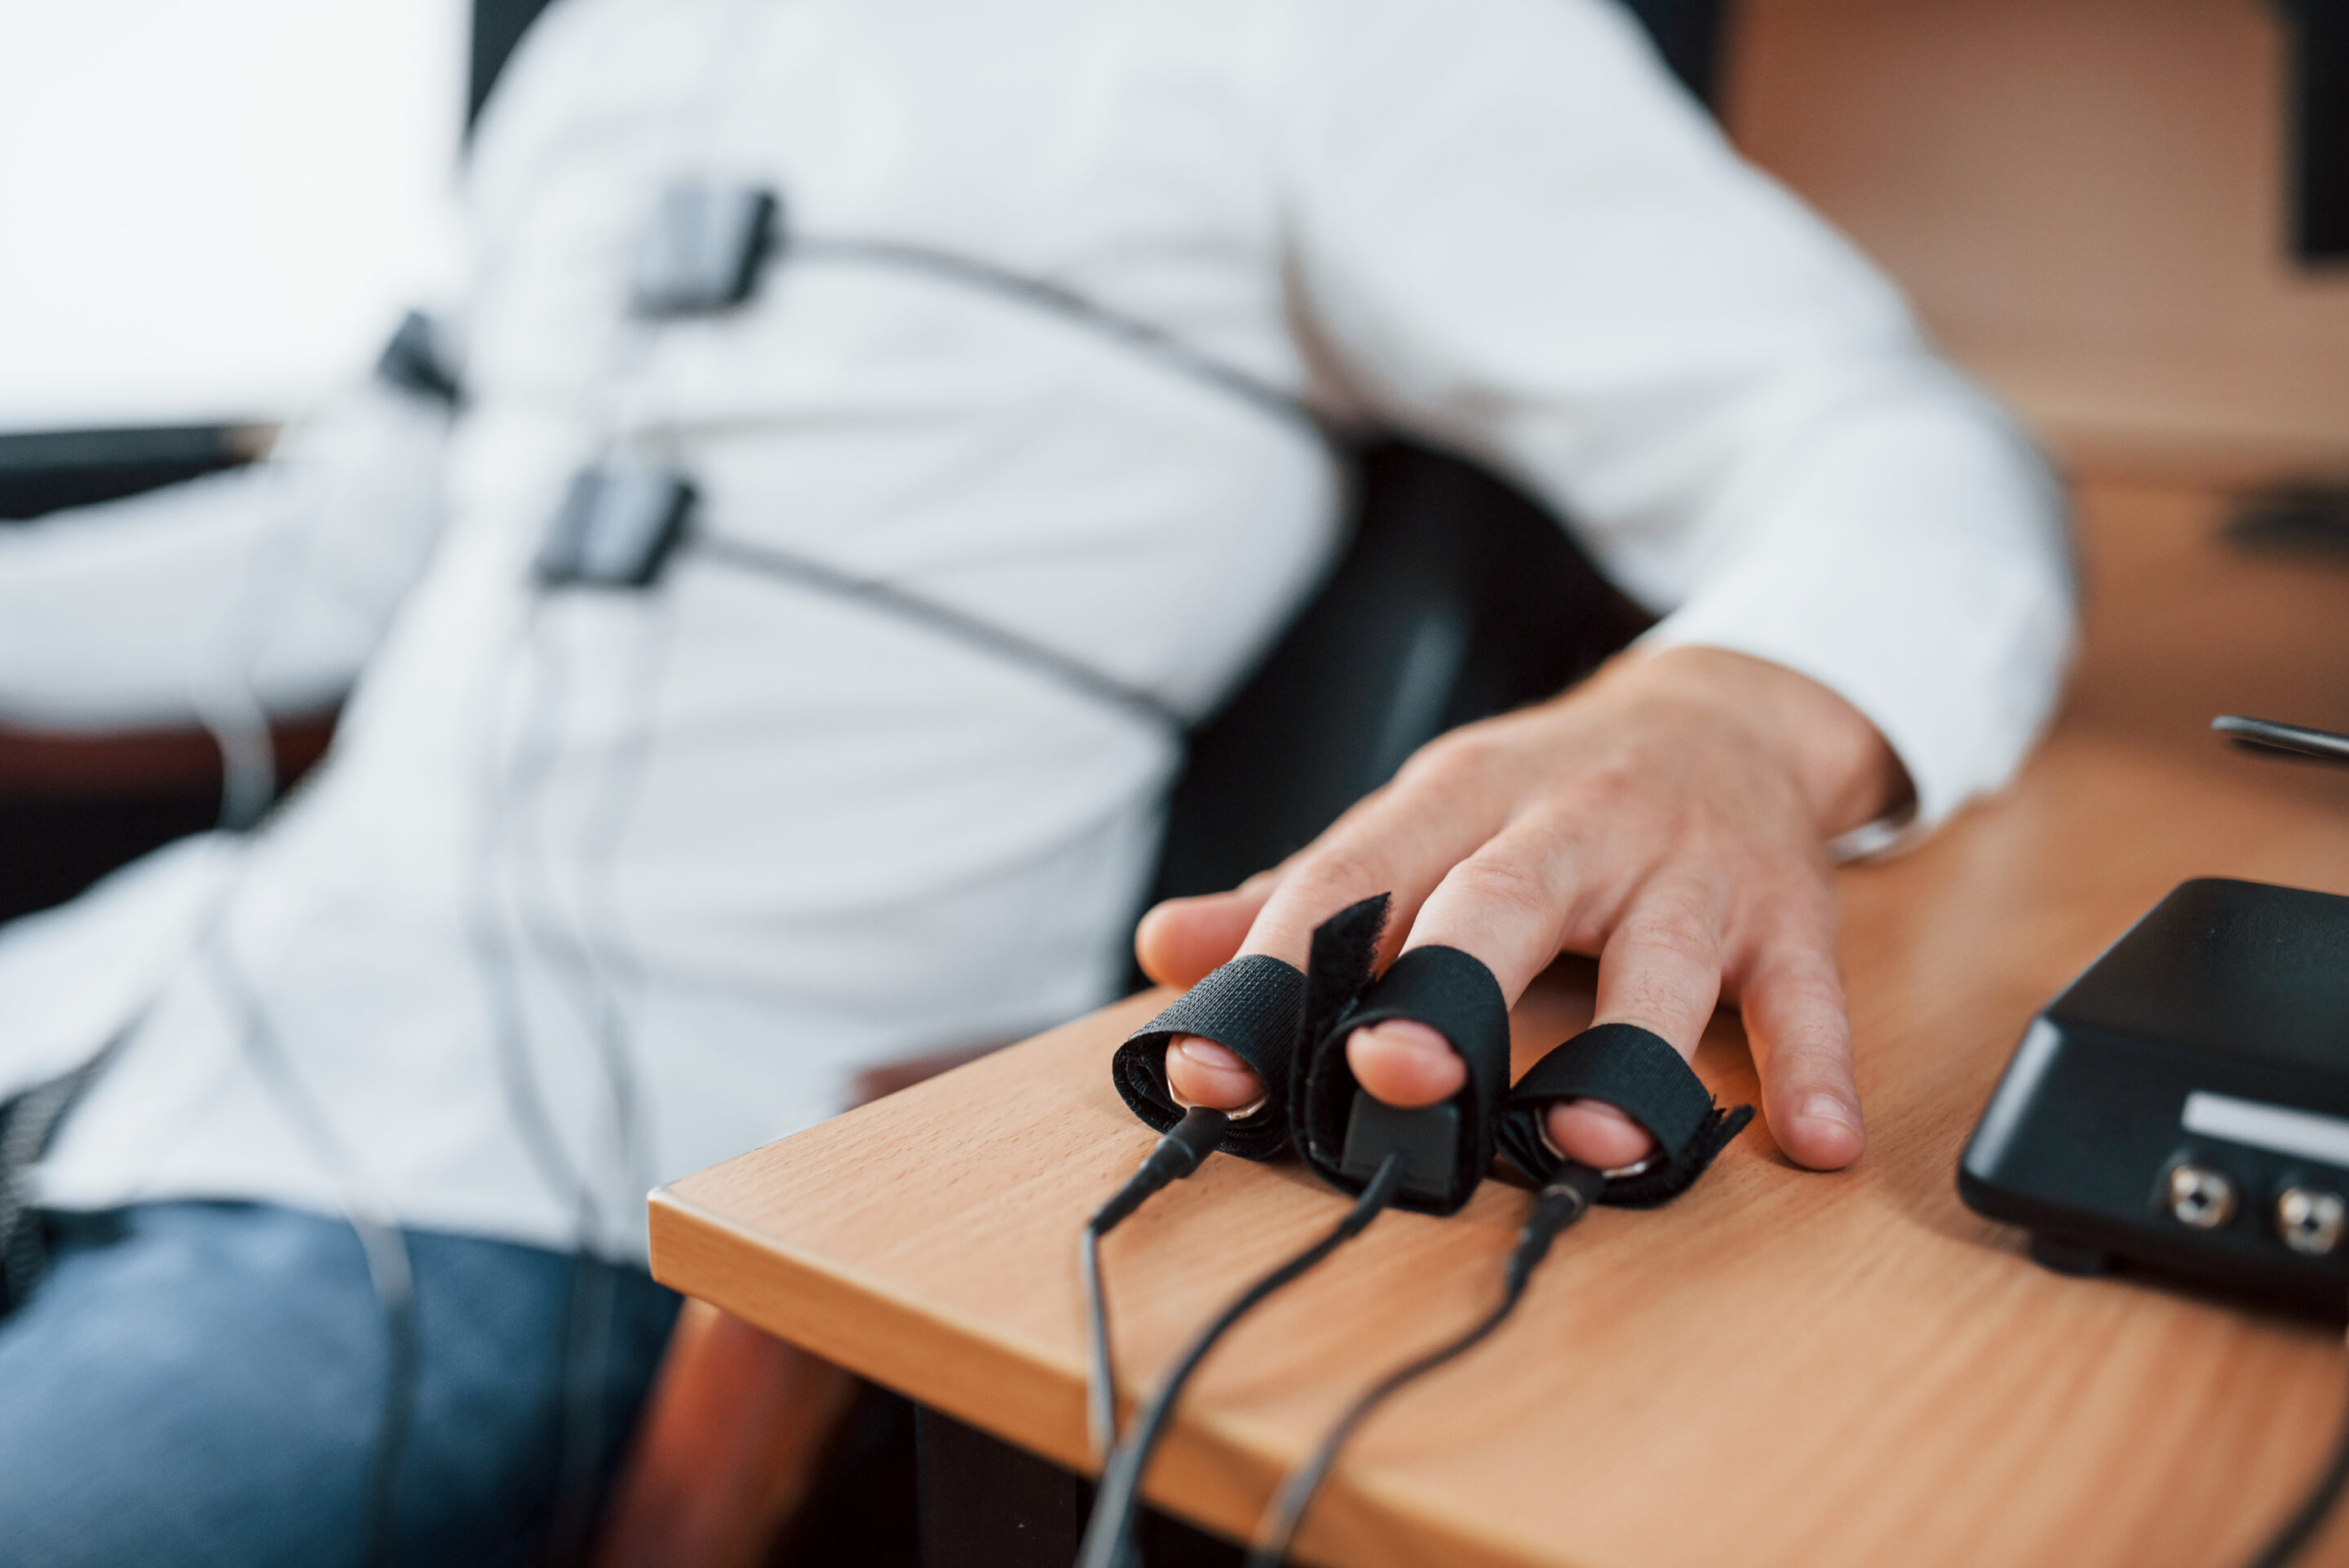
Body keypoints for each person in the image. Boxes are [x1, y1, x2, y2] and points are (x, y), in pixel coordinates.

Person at [0, 0, 2073, 1560]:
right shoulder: (608, 48)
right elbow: (390, 523)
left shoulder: (1345, 40)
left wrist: (1720, 716)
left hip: (533, 1204)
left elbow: (1893, 445)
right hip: (143, 1015)